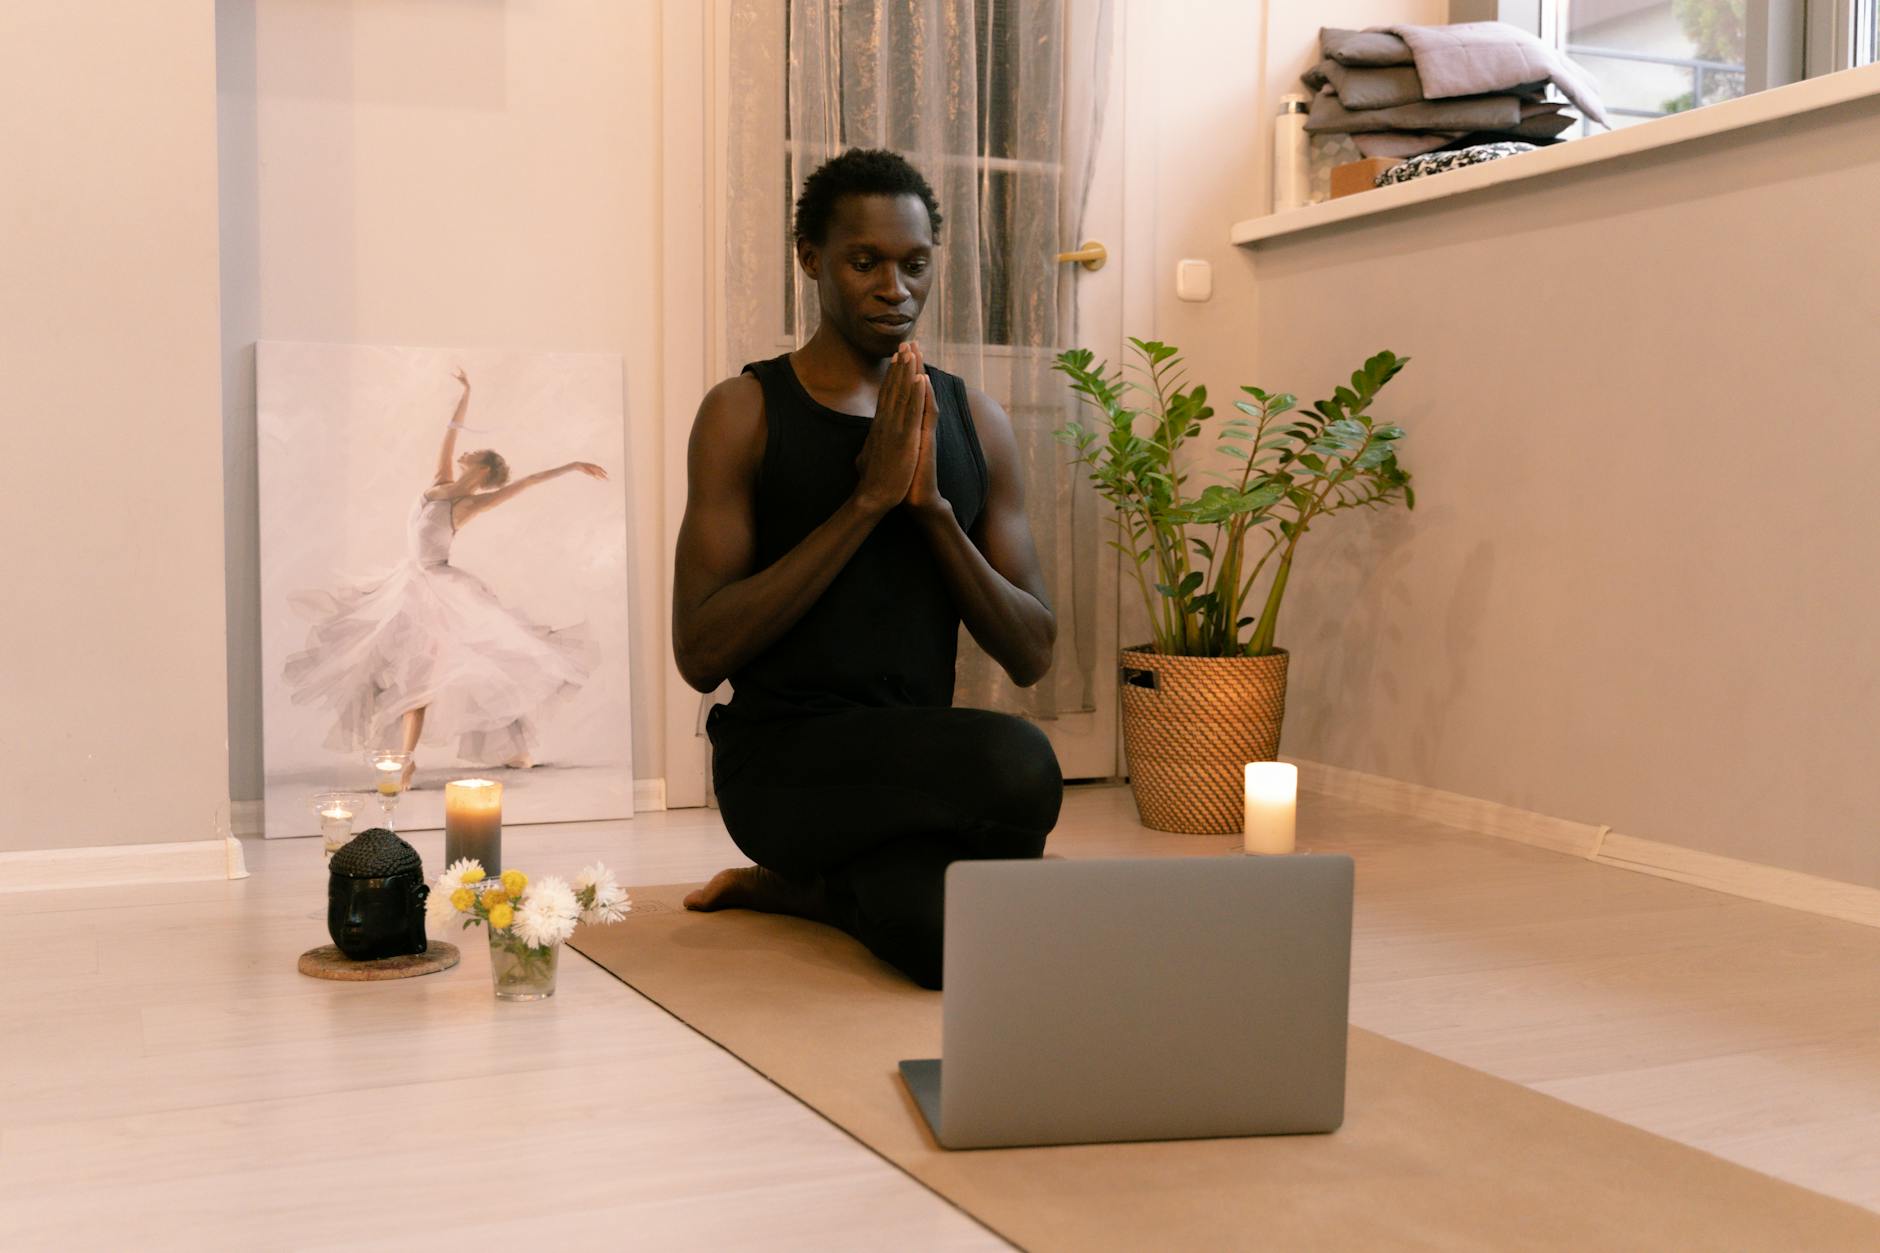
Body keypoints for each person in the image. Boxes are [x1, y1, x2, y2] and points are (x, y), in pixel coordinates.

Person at [673, 148, 1064, 989]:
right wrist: (864, 504)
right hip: (782, 765)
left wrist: (930, 511)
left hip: (914, 766)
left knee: (945, 942)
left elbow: (1033, 651)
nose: (896, 288)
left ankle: (807, 891)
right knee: (1020, 765)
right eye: (866, 262)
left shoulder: (976, 420)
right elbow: (700, 652)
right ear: (811, 260)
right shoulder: (744, 413)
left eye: (915, 264)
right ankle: (797, 861)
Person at [283, 367, 608, 790]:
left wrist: (572, 465)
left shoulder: (471, 506)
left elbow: (525, 483)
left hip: (439, 592)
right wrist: (467, 393)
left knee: (432, 674)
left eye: (473, 456)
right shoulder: (440, 483)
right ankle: (501, 751)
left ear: (483, 470)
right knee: (393, 669)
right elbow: (450, 432)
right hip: (407, 584)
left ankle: (408, 762)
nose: (462, 454)